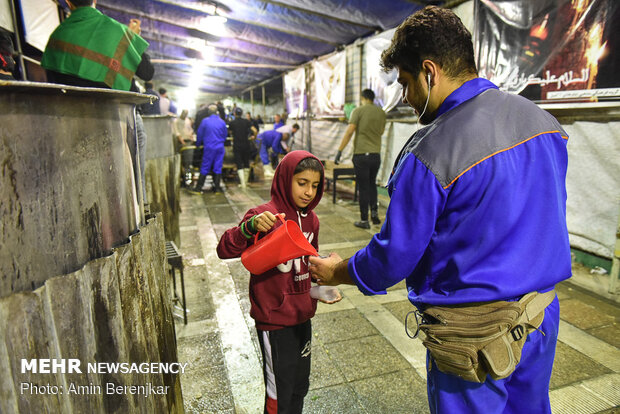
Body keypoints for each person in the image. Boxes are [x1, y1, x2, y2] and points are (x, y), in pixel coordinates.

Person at [309, 6, 570, 414]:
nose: (408, 99)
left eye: (408, 84)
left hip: (473, 335)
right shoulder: (544, 122)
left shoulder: (430, 152)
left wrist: (337, 271)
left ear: (430, 72)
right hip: (540, 317)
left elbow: (394, 256)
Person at [217, 151, 340, 414]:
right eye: (302, 183)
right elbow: (223, 249)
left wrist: (321, 287)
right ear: (285, 179)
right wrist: (248, 228)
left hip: (302, 316)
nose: (309, 192)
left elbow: (307, 264)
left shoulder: (312, 220)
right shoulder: (264, 215)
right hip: (274, 321)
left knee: (299, 386)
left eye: (315, 185)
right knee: (278, 395)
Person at [41, 0, 149, 92]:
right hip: (113, 112)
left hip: (70, 111)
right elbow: (147, 73)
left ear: (68, 2)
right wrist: (132, 37)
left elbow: (52, 81)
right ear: (95, 0)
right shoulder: (118, 31)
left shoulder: (57, 35)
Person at [335, 88, 386, 229]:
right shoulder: (381, 113)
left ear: (363, 98)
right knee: (372, 185)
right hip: (376, 155)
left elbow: (350, 131)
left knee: (363, 188)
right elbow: (381, 132)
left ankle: (364, 220)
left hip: (361, 155)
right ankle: (374, 215)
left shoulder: (358, 111)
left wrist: (340, 151)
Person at [191, 104, 228, 193]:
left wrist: (198, 145)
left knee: (205, 166)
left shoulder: (205, 121)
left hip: (209, 147)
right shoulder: (222, 122)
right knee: (217, 167)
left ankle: (198, 188)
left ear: (208, 112)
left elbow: (200, 134)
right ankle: (217, 188)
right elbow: (225, 135)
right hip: (220, 147)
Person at [229, 107, 257, 189]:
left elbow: (230, 132)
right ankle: (245, 182)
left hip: (237, 145)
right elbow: (255, 130)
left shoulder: (232, 123)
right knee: (246, 163)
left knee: (239, 163)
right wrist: (254, 137)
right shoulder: (246, 121)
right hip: (246, 144)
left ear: (234, 114)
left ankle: (243, 183)